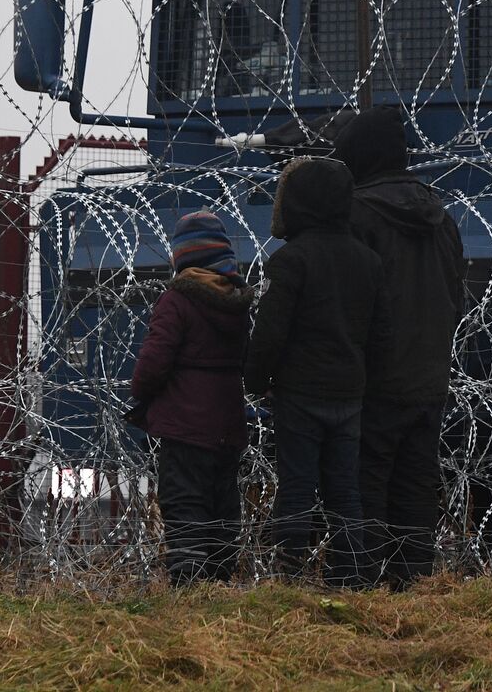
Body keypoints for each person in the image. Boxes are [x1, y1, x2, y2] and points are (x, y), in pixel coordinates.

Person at [333, 106, 465, 588]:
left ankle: (367, 588)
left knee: (366, 488)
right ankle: (414, 585)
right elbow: (457, 295)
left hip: (374, 380)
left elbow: (348, 299)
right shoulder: (440, 218)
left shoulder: (357, 215)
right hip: (429, 377)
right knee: (415, 489)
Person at [245, 157, 392, 588]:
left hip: (299, 393)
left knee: (296, 488)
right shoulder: (368, 260)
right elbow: (380, 333)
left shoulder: (290, 261)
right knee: (345, 492)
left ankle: (290, 574)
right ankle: (348, 576)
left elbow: (270, 331)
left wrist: (254, 382)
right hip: (349, 394)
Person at [131, 210, 254, 585]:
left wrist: (142, 393)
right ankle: (220, 573)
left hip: (184, 423)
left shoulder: (177, 300)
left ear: (182, 256)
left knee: (184, 500)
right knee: (222, 501)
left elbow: (154, 360)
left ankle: (188, 580)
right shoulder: (237, 301)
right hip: (228, 420)